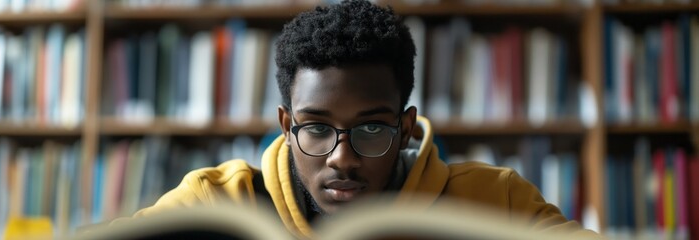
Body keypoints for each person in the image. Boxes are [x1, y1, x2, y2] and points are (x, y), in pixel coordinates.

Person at [127, 0, 601, 238]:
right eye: (315, 128)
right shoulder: (215, 201)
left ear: (407, 126)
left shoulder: (498, 199)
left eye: (372, 128)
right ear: (286, 125)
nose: (342, 159)